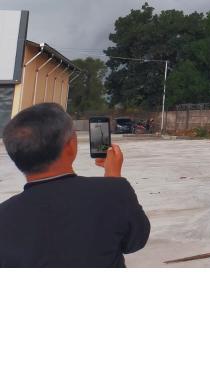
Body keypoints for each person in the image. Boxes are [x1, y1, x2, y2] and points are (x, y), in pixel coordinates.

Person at [0, 103, 151, 268]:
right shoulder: (112, 193)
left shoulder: (5, 214)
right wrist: (113, 179)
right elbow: (135, 241)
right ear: (70, 146)